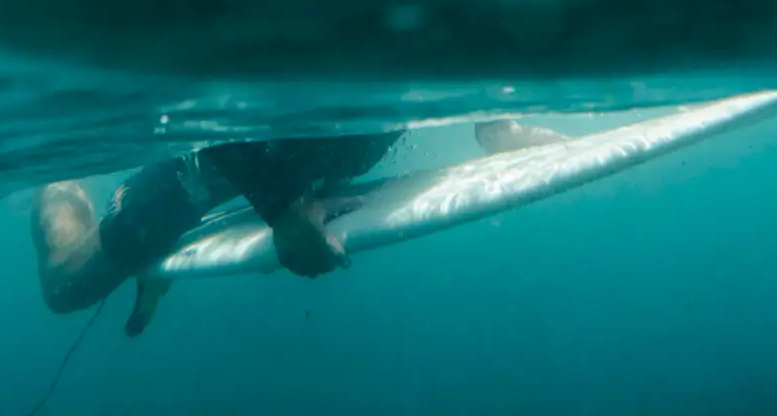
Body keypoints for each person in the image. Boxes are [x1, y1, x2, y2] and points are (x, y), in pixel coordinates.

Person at [32, 121, 565, 335]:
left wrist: (500, 129)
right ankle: (58, 182)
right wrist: (285, 211)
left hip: (306, 163)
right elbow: (223, 104)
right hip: (207, 167)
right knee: (67, 284)